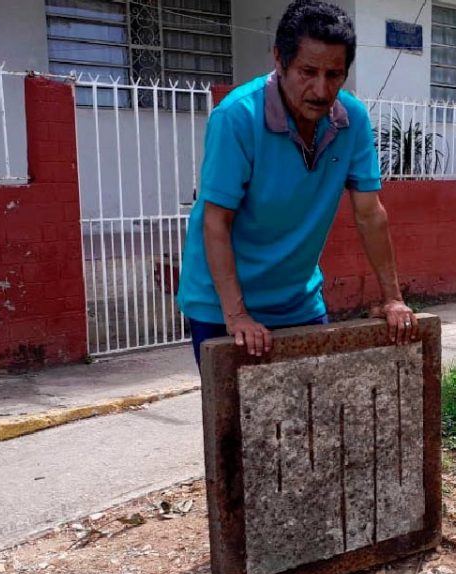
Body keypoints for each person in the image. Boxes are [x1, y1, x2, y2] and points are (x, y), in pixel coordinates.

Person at [176, 0, 417, 366]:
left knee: (314, 412)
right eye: (307, 71)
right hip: (221, 303)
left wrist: (393, 298)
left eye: (334, 75)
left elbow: (370, 214)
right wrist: (237, 316)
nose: (321, 90)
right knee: (240, 421)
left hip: (298, 300)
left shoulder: (351, 119)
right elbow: (216, 221)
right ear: (279, 59)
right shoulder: (237, 118)